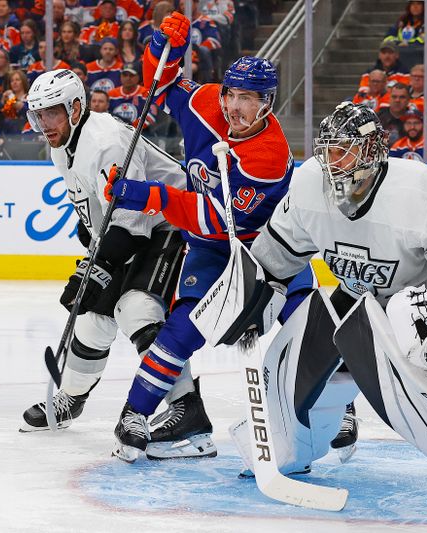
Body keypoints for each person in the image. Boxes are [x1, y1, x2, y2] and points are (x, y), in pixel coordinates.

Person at [199, 102, 427, 514]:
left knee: (395, 328)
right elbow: (273, 259)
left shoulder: (414, 189)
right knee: (306, 328)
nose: (332, 161)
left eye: (344, 150)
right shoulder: (309, 185)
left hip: (417, 313)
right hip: (356, 299)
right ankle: (285, 447)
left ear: (373, 150)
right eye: (328, 149)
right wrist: (251, 298)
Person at [102, 12, 298, 462]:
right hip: (210, 251)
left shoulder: (268, 156)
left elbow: (213, 216)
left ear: (266, 103)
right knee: (181, 330)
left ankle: (338, 408)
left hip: (269, 250)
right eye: (231, 93)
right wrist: (160, 45)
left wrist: (145, 195)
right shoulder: (207, 102)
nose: (233, 106)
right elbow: (159, 85)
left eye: (247, 98)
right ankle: (137, 415)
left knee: (308, 321)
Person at [19, 69, 191, 444]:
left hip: (171, 221)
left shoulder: (107, 141)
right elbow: (96, 213)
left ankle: (186, 406)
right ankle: (72, 398)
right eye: (39, 115)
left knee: (139, 310)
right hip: (130, 228)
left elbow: (132, 223)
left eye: (51, 112)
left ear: (76, 107)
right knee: (93, 319)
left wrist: (95, 268)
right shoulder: (61, 146)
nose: (44, 123)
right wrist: (92, 247)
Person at [376, 82, 410, 146]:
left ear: (408, 100)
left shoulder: (414, 118)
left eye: (402, 97)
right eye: (394, 97)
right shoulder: (377, 117)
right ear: (389, 99)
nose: (397, 100)